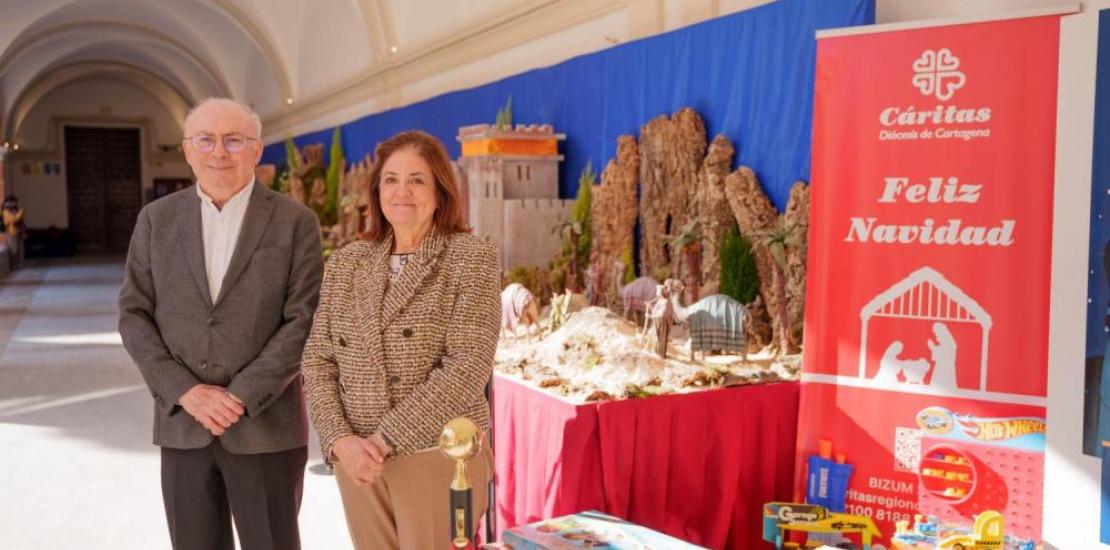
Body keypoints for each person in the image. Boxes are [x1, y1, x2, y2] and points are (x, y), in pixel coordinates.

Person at [118, 97, 323, 550]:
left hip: (266, 428)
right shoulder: (156, 220)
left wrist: (240, 396)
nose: (219, 152)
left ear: (256, 150)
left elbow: (304, 320)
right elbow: (133, 314)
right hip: (182, 425)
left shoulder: (295, 223)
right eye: (206, 139)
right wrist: (185, 391)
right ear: (187, 149)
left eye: (234, 140)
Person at [301, 130, 499, 549]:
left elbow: (467, 366)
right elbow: (318, 361)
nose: (402, 191)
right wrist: (339, 441)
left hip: (435, 456)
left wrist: (384, 440)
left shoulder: (470, 257)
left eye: (417, 180)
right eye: (391, 179)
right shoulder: (347, 263)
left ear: (440, 190)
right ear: (376, 191)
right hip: (357, 463)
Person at [3, 195, 25, 269]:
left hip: (20, 232)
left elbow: (21, 221)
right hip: (12, 233)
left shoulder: (16, 210)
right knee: (14, 250)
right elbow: (13, 220)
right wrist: (20, 213)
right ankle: (13, 266)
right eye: (10, 202)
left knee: (21, 250)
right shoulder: (5, 211)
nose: (12, 204)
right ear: (6, 203)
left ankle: (20, 265)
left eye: (14, 202)